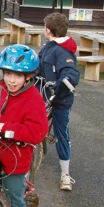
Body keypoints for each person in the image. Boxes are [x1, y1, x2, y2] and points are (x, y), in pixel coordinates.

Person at [0, 44, 48, 207]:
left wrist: (5, 129)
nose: (11, 80)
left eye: (17, 75)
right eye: (7, 74)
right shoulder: (6, 91)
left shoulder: (33, 98)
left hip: (16, 159)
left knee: (16, 200)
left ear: (28, 76)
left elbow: (36, 133)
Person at [36, 13, 80, 191]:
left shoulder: (63, 51)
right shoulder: (50, 46)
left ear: (48, 30)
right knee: (35, 125)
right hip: (44, 95)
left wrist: (59, 86)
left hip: (59, 99)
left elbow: (70, 73)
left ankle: (65, 175)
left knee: (62, 134)